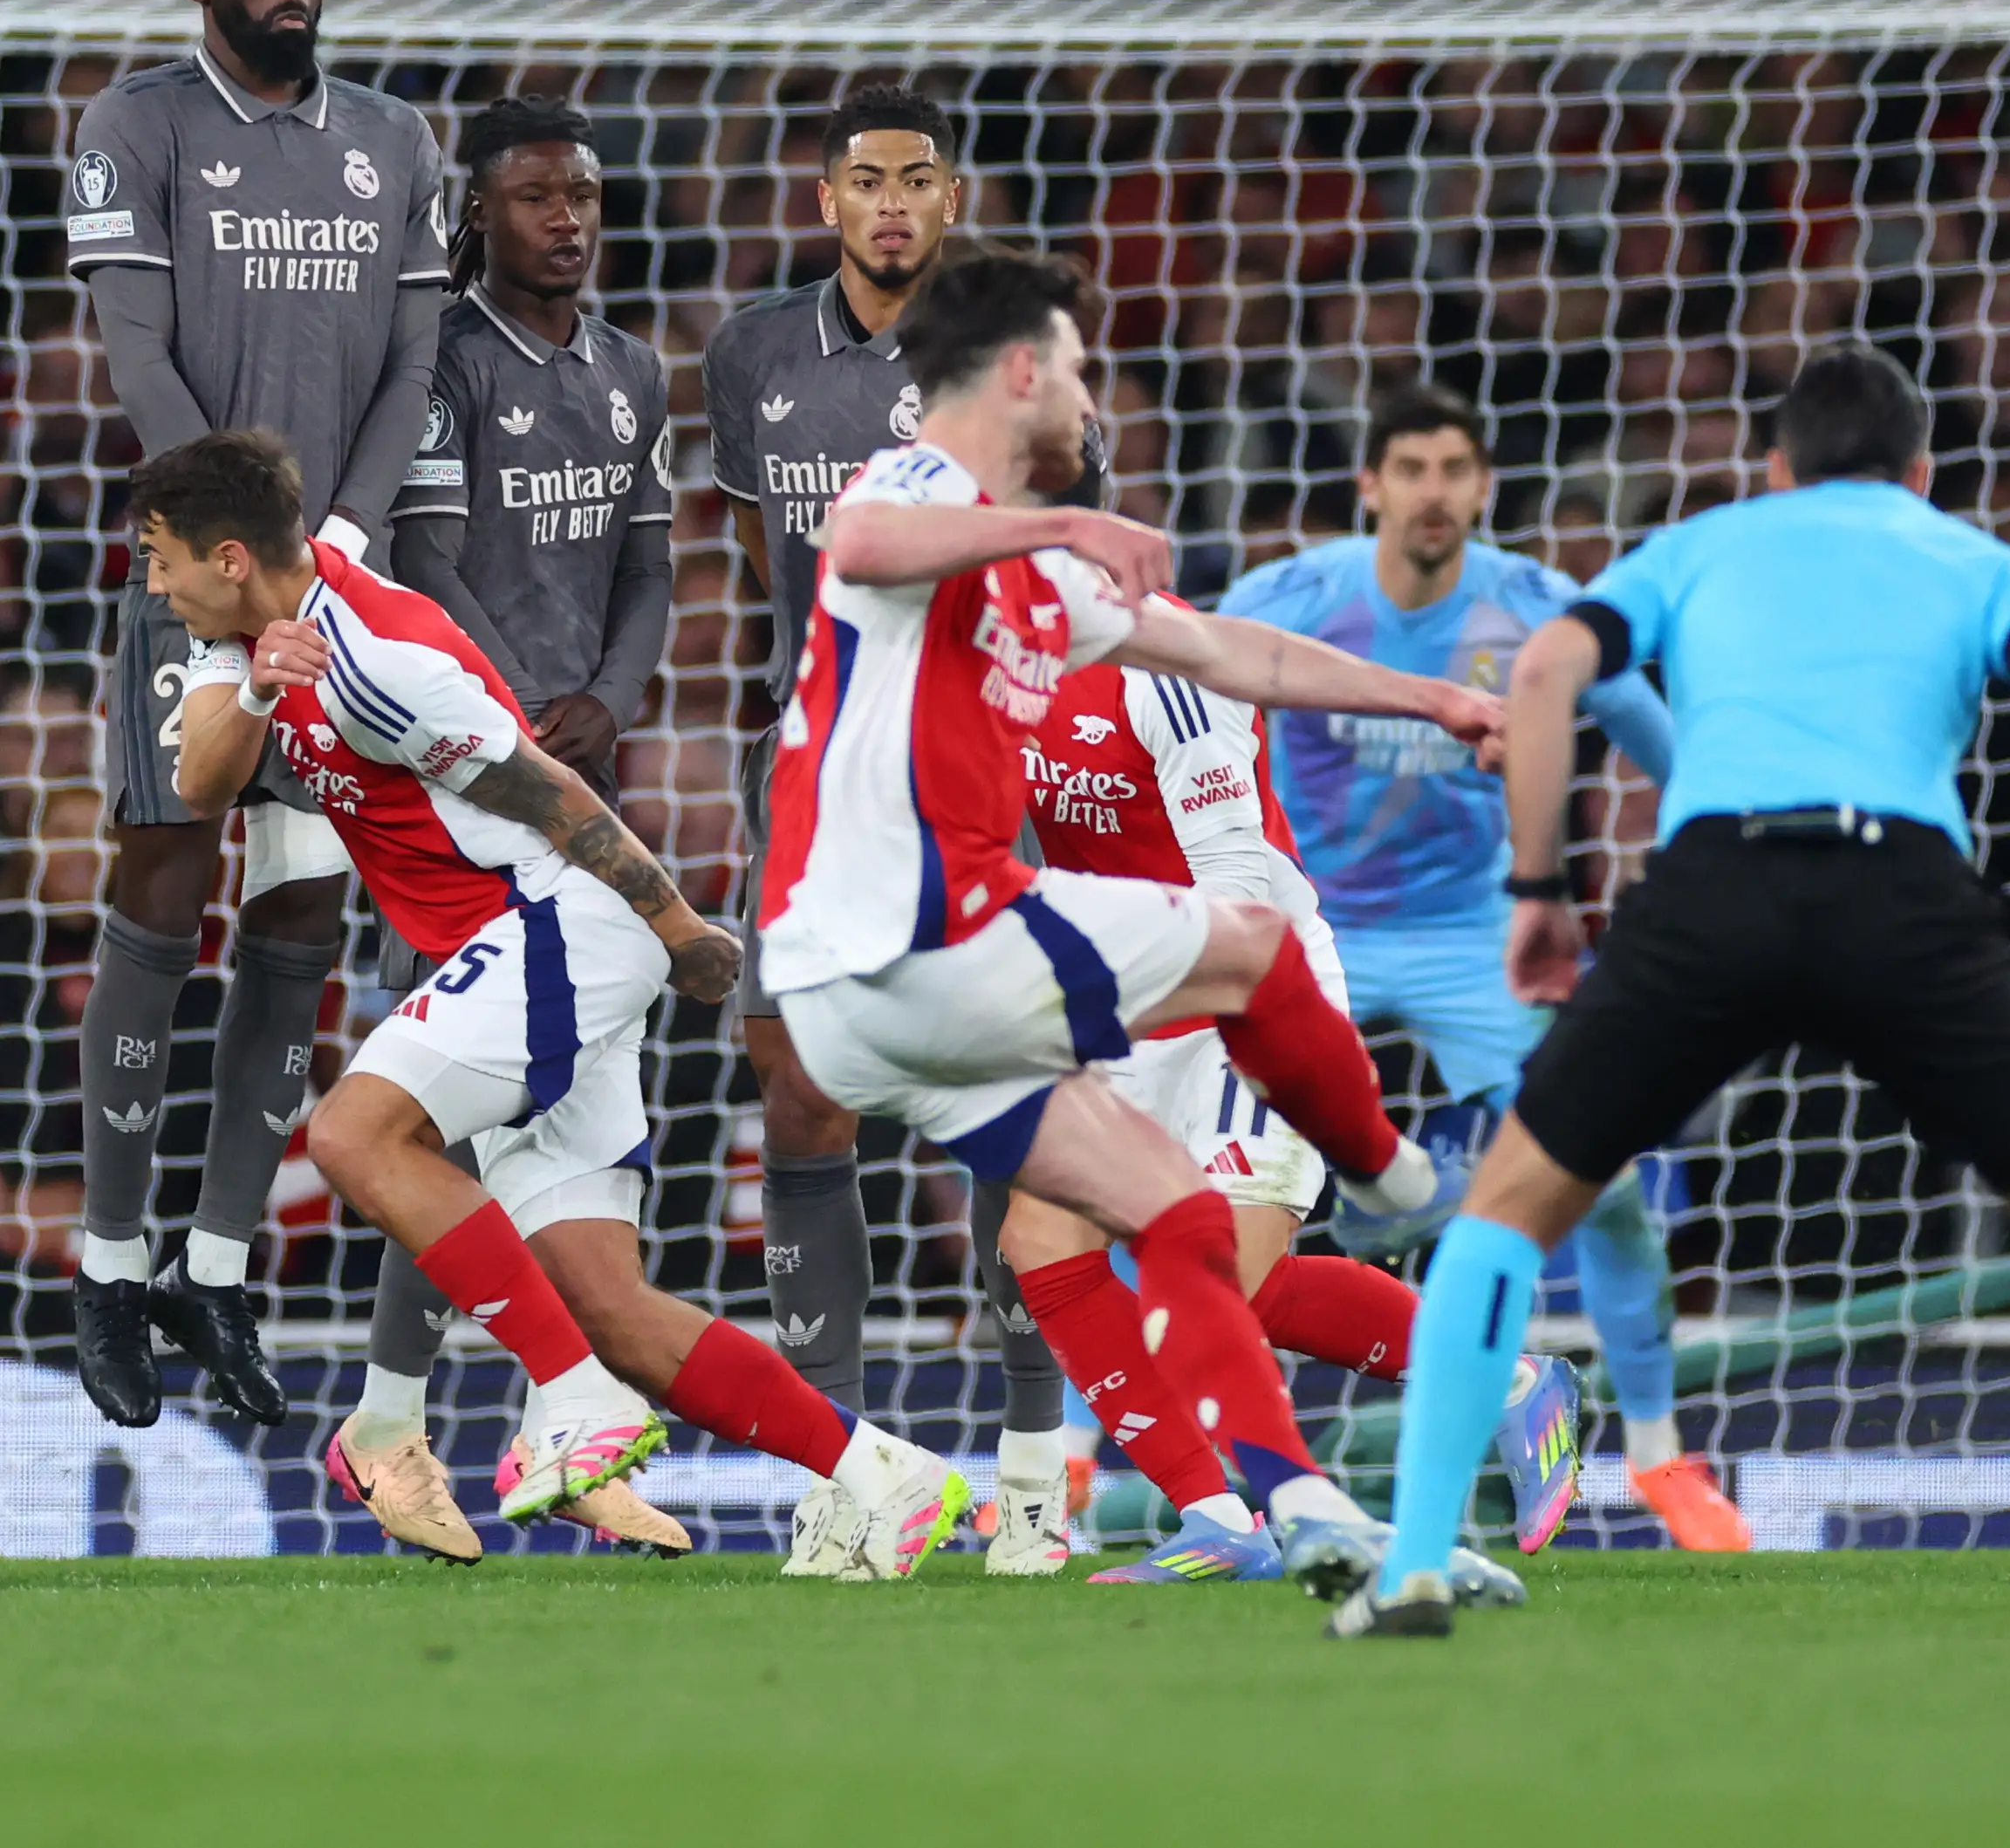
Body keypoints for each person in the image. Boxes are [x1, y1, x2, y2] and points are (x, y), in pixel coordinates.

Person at [1338, 345, 2010, 1639]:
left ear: (1775, 469)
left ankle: (1410, 1569)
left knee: (1507, 1211)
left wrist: (1542, 888)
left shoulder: (1702, 543)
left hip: (1713, 887)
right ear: (1921, 471)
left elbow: (1549, 671)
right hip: (1903, 895)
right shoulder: (1966, 555)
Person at [762, 244, 1506, 1602]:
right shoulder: (920, 483)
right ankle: (1393, 1176)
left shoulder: (1042, 579)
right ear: (1024, 371)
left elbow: (1240, 655)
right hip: (921, 932)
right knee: (1256, 956)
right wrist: (1058, 526)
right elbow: (856, 542)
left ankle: (1281, 1508)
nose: (1093, 397)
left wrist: (1439, 701)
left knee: (1161, 1223)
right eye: (1081, 367)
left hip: (869, 996)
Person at [138, 431, 970, 1578]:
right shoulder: (245, 635)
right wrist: (259, 683)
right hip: (524, 955)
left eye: (161, 559)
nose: (154, 583)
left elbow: (553, 793)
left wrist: (678, 929)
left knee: (354, 1133)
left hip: (552, 926)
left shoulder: (379, 658)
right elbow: (198, 779)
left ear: (228, 557)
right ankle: (890, 1475)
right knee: (612, 1306)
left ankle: (570, 1401)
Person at [1220, 385, 1745, 1550]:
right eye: (1411, 468)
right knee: (1197, 1169)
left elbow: (1656, 736)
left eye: (1455, 469)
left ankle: (1660, 1453)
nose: (1434, 492)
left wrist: (1723, 845)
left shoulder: (1533, 606)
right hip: (1314, 928)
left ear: (1484, 487)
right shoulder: (1291, 600)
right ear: (1370, 486)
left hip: (1476, 933)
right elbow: (1174, 700)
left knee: (1606, 1175)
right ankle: (1148, 1463)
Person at [61, 0, 448, 1434]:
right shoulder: (136, 125)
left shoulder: (396, 140)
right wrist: (236, 547)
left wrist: (332, 547)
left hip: (336, 585)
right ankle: (108, 1263)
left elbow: (413, 362)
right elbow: (137, 355)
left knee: (299, 908)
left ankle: (212, 1267)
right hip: (194, 580)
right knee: (164, 883)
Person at [1009, 532, 1582, 1587]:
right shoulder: (988, 660)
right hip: (1125, 989)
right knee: (1041, 1236)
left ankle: (1505, 1380)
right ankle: (1219, 1518)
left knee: (1225, 1287)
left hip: (1250, 978)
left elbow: (1237, 884)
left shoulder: (1162, 664)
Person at [705, 82, 1091, 1572]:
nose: (889, 204)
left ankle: (1037, 1475)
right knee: (802, 1093)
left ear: (952, 197)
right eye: (864, 180)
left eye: (916, 179)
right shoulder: (751, 352)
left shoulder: (1010, 348)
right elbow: (765, 556)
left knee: (1012, 1091)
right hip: (815, 768)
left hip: (981, 762)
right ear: (825, 201)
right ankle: (846, 1471)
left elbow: (1064, 555)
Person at [333, 94, 680, 1561]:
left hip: (577, 773)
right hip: (466, 780)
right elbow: (421, 561)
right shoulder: (443, 366)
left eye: (583, 195)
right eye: (538, 197)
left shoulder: (633, 371)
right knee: (444, 1117)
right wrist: (516, 713)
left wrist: (609, 697)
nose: (567, 219)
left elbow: (650, 570)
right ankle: (394, 1421)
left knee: (577, 1104)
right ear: (479, 214)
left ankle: (561, 1427)